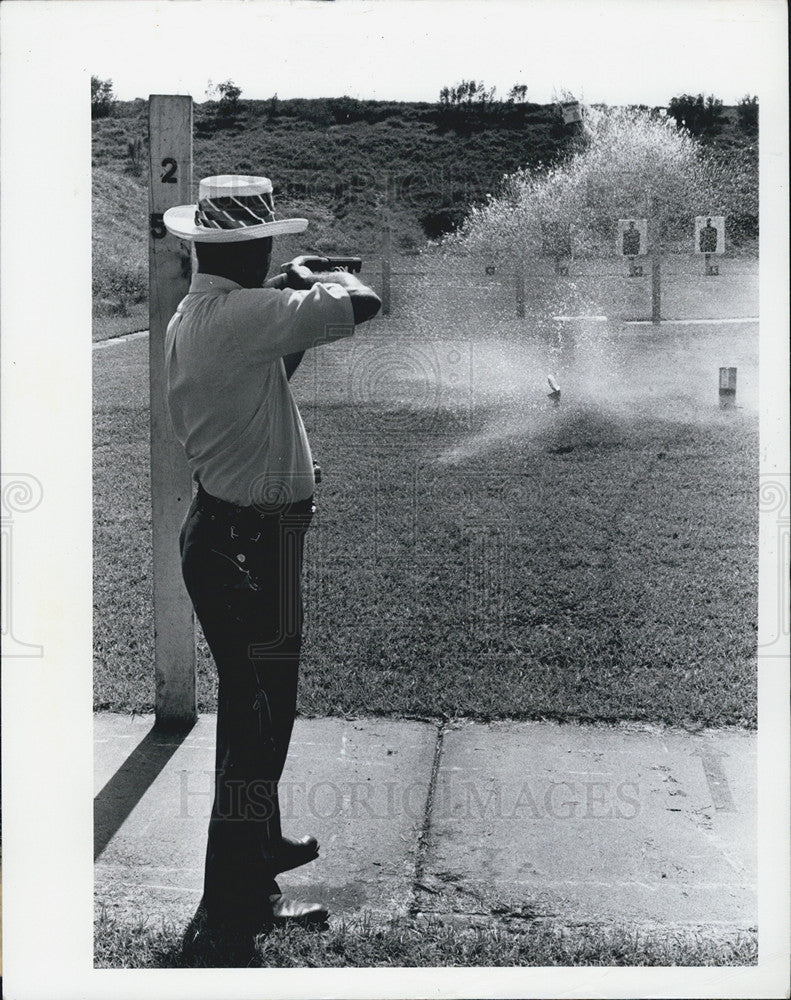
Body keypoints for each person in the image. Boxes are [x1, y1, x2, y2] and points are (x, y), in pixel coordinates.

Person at [162, 174, 381, 962]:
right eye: (272, 248)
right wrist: (323, 277)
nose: (276, 257)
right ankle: (230, 910)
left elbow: (268, 374)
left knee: (260, 720)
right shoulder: (241, 314)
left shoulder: (204, 314)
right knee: (255, 731)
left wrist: (290, 288)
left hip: (241, 541)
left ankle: (259, 856)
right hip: (247, 547)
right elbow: (364, 304)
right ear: (251, 249)